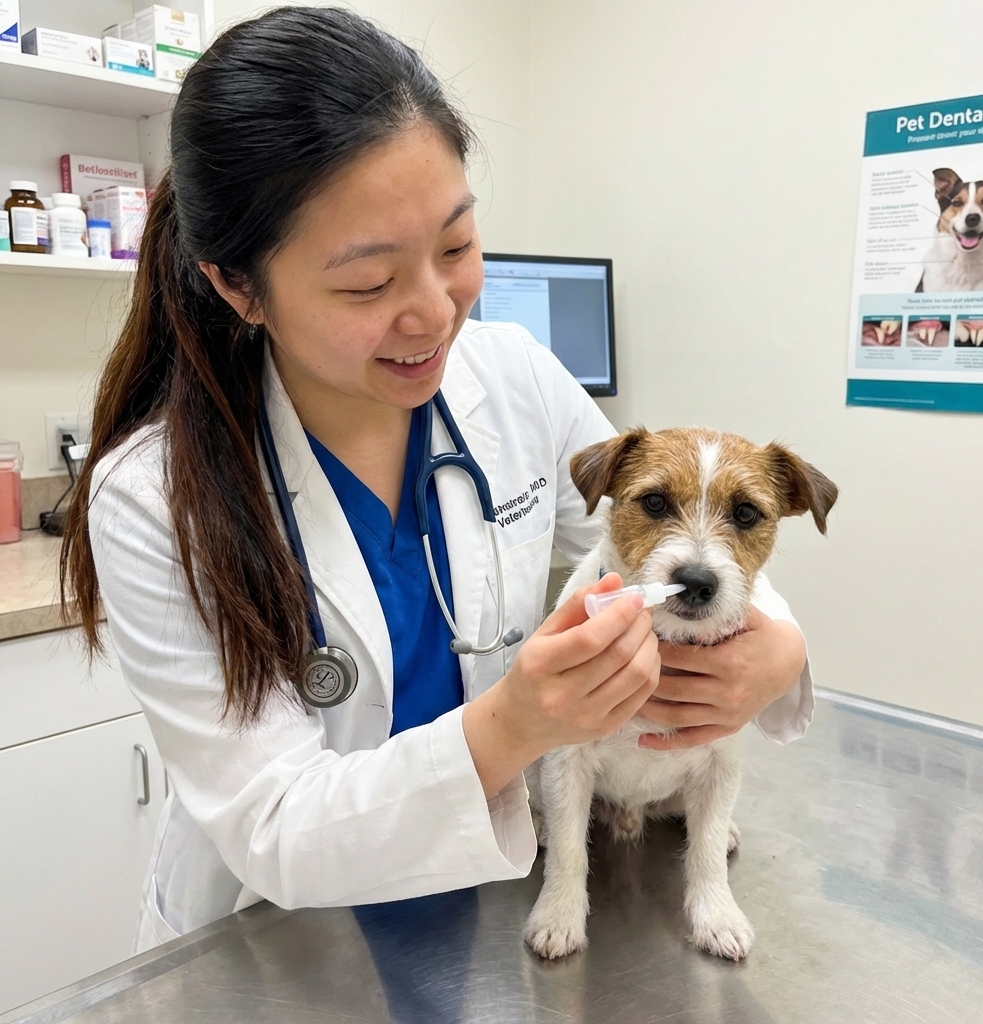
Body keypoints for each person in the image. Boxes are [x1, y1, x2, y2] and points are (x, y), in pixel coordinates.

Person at [62, 6, 811, 953]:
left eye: (455, 248)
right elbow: (275, 826)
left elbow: (661, 537)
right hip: (284, 938)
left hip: (496, 892)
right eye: (369, 285)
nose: (434, 314)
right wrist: (515, 724)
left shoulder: (518, 378)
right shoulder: (150, 497)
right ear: (238, 286)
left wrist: (777, 647)